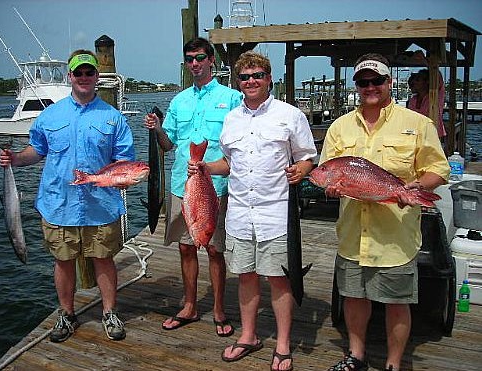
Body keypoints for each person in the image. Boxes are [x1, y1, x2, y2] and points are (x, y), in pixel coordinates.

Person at [189, 51, 317, 371]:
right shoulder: (232, 118)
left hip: (276, 214)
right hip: (239, 215)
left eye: (257, 75)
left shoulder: (290, 115)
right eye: (245, 77)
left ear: (269, 78)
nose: (251, 82)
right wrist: (204, 167)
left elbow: (306, 157)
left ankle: (283, 343)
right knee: (246, 276)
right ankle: (248, 336)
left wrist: (301, 170)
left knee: (278, 279)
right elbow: (229, 163)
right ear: (238, 81)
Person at [321, 53, 450, 371]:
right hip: (353, 234)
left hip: (395, 236)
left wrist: (412, 188)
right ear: (357, 86)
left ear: (389, 82)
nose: (371, 87)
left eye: (377, 80)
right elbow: (327, 172)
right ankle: (356, 355)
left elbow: (439, 168)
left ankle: (393, 363)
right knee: (354, 297)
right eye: (364, 82)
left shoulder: (417, 124)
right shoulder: (339, 127)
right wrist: (329, 187)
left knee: (397, 302)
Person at [0, 49, 134, 343]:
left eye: (90, 72)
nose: (84, 77)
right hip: (58, 204)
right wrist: (15, 159)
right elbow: (36, 151)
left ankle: (109, 312)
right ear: (70, 76)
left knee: (104, 259)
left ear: (97, 77)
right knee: (62, 261)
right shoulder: (50, 116)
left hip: (101, 205)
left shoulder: (113, 118)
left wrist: (124, 180)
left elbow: (125, 161)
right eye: (79, 72)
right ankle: (67, 313)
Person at [143, 37, 242, 337]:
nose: (195, 63)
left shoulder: (233, 98)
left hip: (216, 186)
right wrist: (156, 128)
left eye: (200, 57)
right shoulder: (179, 101)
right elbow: (168, 144)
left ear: (212, 60)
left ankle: (219, 309)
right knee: (186, 247)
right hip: (180, 185)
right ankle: (189, 305)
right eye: (190, 59)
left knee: (214, 249)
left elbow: (240, 144)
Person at [407, 50, 447, 139]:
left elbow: (437, 75)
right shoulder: (413, 100)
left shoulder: (436, 94)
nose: (414, 82)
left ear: (427, 81)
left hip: (433, 136)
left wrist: (424, 60)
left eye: (418, 80)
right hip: (416, 136)